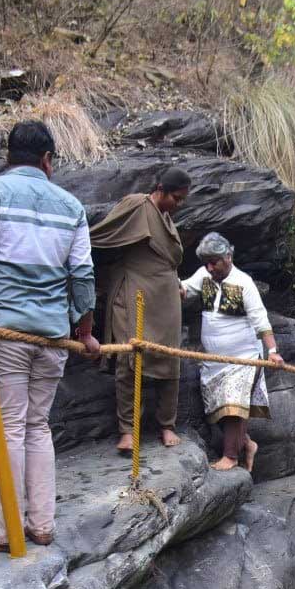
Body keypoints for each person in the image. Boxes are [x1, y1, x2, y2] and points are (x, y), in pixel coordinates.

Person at [0, 120, 101, 552]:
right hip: (54, 337)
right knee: (38, 426)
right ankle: (42, 526)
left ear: (9, 157)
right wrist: (86, 330)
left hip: (7, 333)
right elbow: (82, 275)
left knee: (8, 430)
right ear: (47, 160)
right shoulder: (71, 206)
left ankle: (6, 534)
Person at [90, 167, 191, 455]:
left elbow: (167, 260)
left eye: (183, 200)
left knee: (170, 359)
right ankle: (127, 430)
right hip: (133, 292)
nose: (179, 204)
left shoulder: (168, 220)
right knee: (129, 359)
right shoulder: (136, 205)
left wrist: (178, 282)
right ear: (160, 188)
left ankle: (166, 424)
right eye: (176, 197)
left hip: (166, 298)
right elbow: (103, 235)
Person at [180, 234, 278, 472]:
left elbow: (260, 319)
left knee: (234, 406)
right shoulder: (204, 276)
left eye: (214, 262)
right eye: (206, 263)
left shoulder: (244, 282)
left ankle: (231, 456)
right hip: (214, 361)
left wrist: (273, 350)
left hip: (243, 358)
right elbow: (183, 290)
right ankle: (247, 444)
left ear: (228, 257)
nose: (209, 267)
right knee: (219, 410)